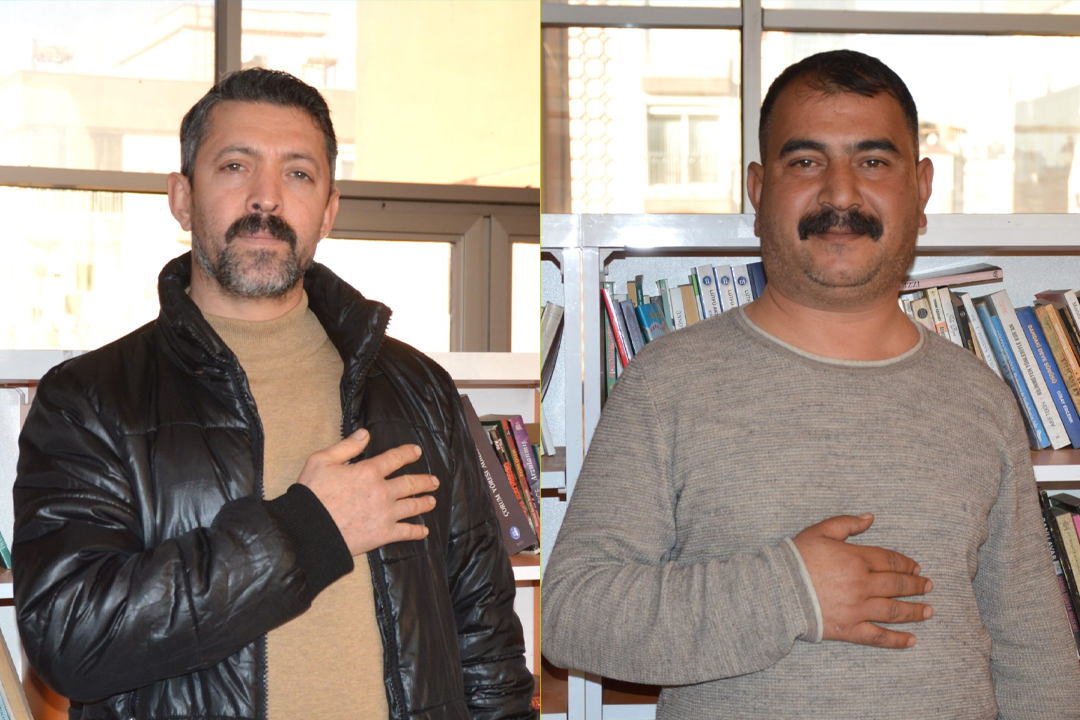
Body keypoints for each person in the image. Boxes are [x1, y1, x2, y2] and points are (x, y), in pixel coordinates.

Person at [541, 50, 1080, 718]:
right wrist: (790, 591)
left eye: (873, 161)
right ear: (758, 190)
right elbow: (573, 617)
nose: (840, 195)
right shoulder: (666, 383)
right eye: (805, 161)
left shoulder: (983, 399)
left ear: (921, 190)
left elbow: (1034, 654)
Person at [14, 68, 533, 720]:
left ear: (329, 211)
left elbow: (485, 637)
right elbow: (69, 638)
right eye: (236, 166)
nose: (266, 198)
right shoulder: (88, 400)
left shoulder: (419, 389)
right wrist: (308, 532)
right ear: (182, 197)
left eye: (298, 174)